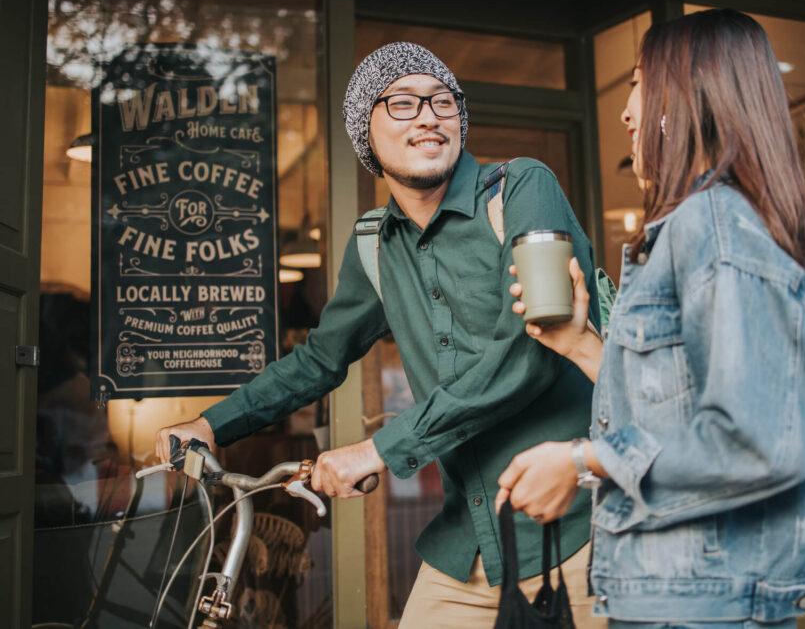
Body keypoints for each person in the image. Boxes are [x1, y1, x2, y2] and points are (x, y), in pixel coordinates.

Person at [155, 42, 606, 627]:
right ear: (364, 133)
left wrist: (379, 450)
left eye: (443, 101)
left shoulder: (520, 187)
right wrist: (211, 424)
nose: (428, 115)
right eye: (401, 103)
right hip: (465, 543)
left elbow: (531, 350)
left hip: (577, 532)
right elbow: (320, 358)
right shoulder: (373, 243)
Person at [496, 10, 805, 629]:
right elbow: (678, 411)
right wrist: (582, 345)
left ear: (688, 98)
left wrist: (579, 460)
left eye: (638, 82)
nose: (625, 112)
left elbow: (758, 439)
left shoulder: (713, 226)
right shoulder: (701, 228)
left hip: (703, 606)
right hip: (680, 598)